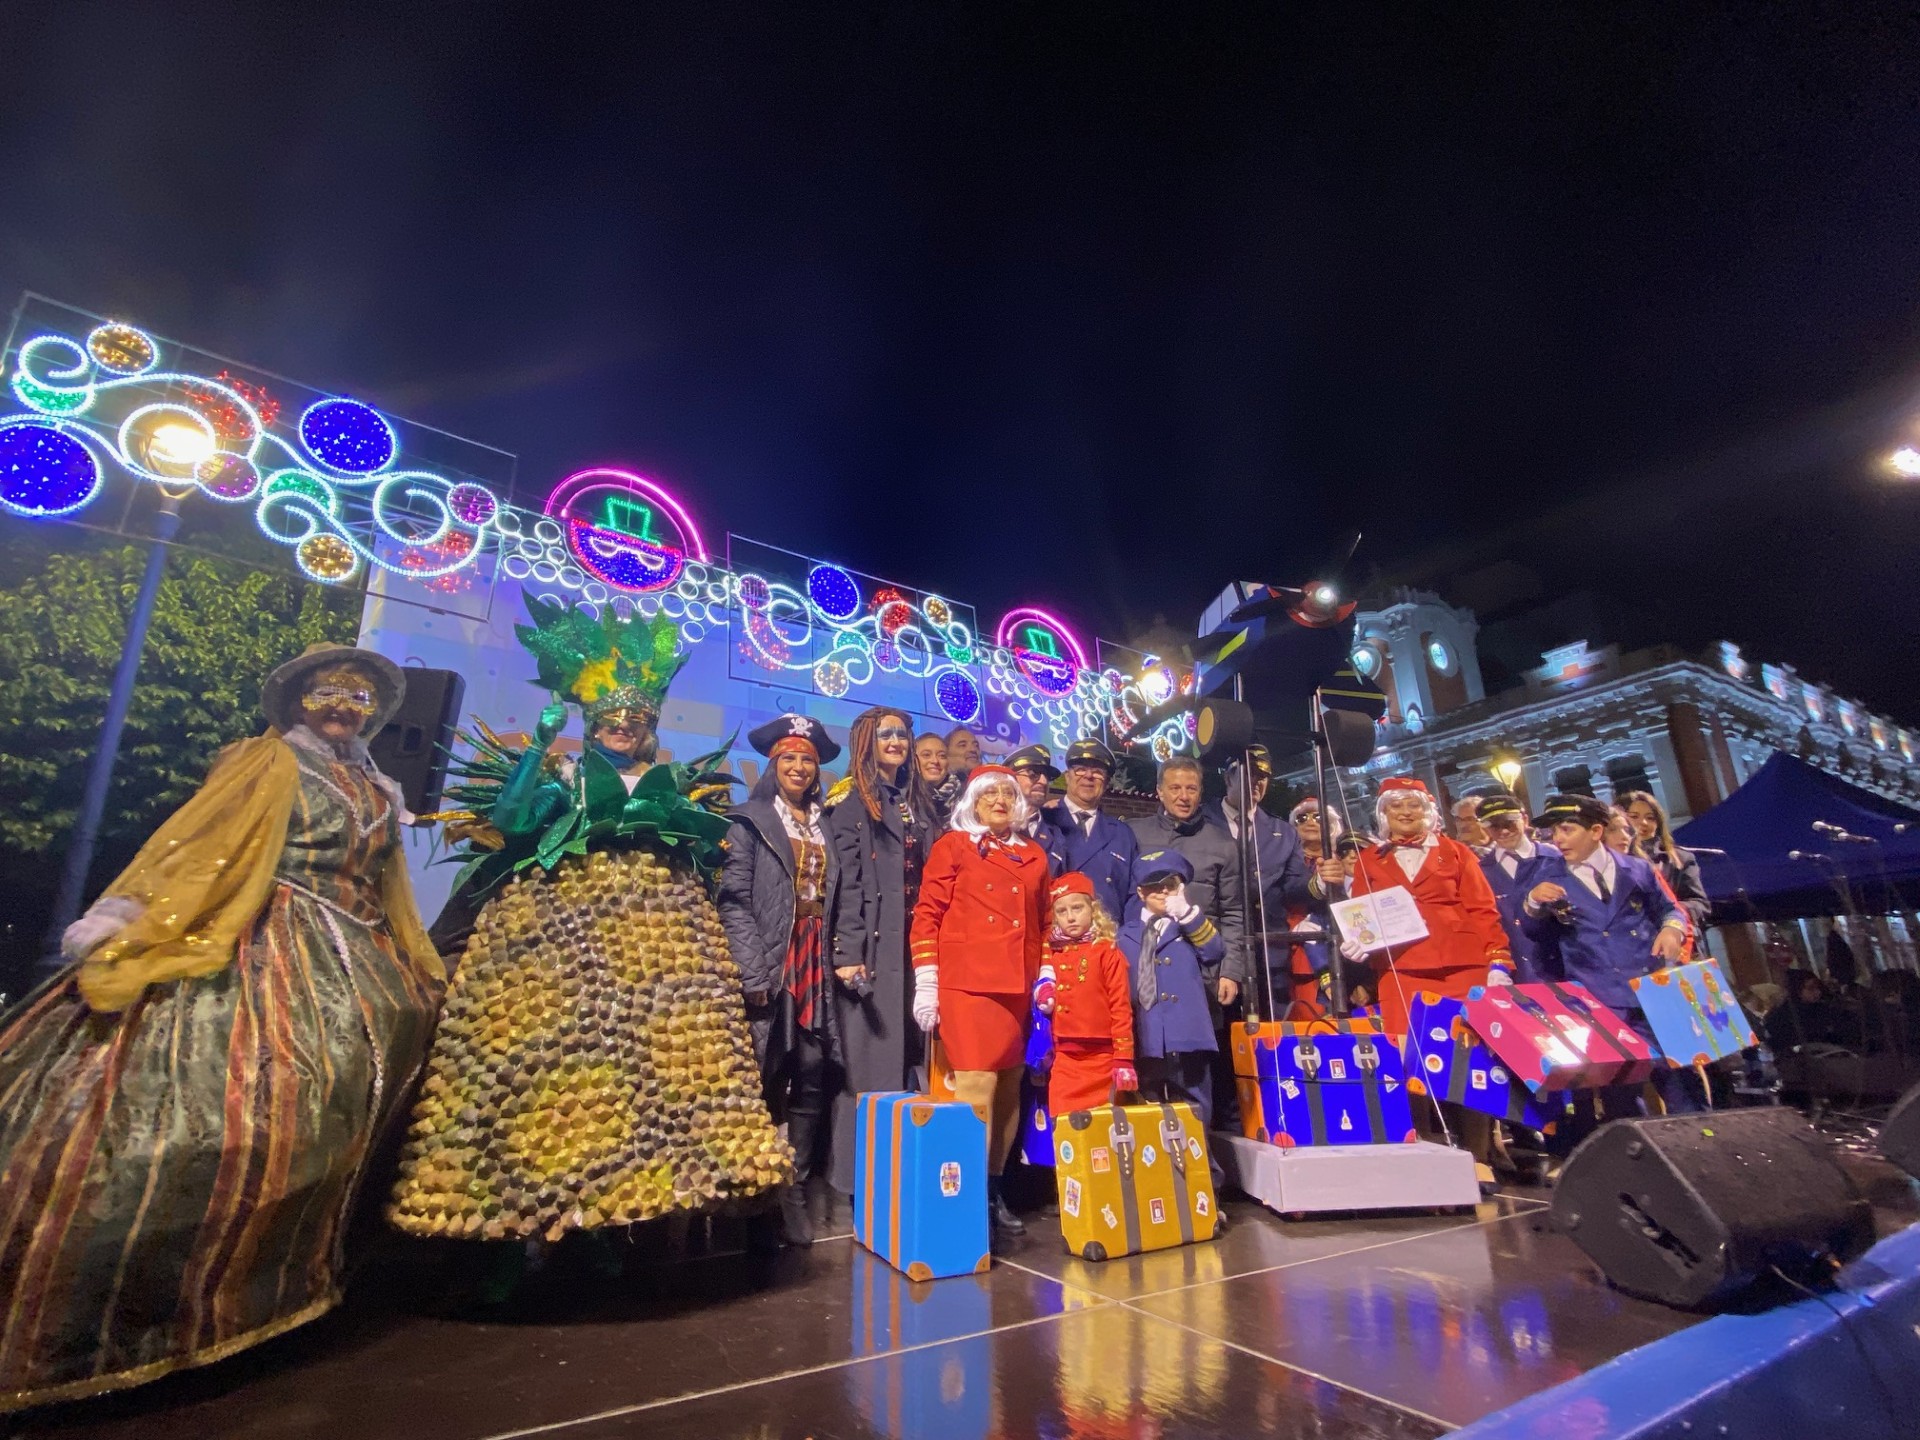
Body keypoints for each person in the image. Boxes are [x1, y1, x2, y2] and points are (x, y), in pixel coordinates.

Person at [0, 644, 445, 1409]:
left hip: (364, 951)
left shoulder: (374, 780)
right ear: (300, 700)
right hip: (268, 939)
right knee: (244, 1107)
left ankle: (301, 1274)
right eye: (328, 693)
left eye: (358, 697)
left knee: (364, 1091)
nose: (343, 706)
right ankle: (165, 1314)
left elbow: (383, 873)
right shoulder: (262, 764)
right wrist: (127, 914)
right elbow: (197, 844)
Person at [389, 601, 786, 1266]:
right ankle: (540, 1222)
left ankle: (641, 1219)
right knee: (566, 1071)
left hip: (665, 947)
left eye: (634, 720)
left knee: (662, 1075)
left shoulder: (669, 785)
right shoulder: (564, 778)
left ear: (649, 725)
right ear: (591, 723)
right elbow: (514, 823)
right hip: (561, 944)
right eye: (609, 719)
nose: (622, 728)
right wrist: (542, 744)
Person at [1345, 776, 1512, 1183]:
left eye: (1413, 805)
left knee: (1467, 1063)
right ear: (1383, 813)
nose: (1405, 813)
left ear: (1428, 811)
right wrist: (1360, 945)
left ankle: (1478, 1156)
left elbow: (1482, 908)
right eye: (1396, 806)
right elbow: (1362, 910)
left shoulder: (1456, 853)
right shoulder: (1370, 859)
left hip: (1461, 966)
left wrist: (1498, 961)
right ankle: (1423, 1151)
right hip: (1401, 970)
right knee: (1411, 1064)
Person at [909, 765, 1050, 1241]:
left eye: (1006, 794)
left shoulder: (1033, 855)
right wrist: (927, 981)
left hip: (1017, 987)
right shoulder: (952, 847)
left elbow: (1044, 922)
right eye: (988, 793)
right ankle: (963, 1194)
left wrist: (1045, 975)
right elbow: (927, 914)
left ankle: (993, 1190)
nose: (998, 800)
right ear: (973, 801)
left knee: (1009, 1095)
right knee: (975, 1089)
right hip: (968, 984)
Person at [718, 715, 844, 1247]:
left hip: (816, 960)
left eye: (808, 760)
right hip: (771, 960)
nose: (798, 767)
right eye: (789, 758)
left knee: (812, 1073)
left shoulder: (827, 824)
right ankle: (757, 1190)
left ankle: (793, 1184)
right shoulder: (747, 820)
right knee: (765, 1073)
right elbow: (733, 898)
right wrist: (753, 969)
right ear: (773, 765)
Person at [1521, 793, 1694, 1130]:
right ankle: (1637, 1162)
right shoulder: (1548, 875)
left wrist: (1673, 929)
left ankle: (1699, 1154)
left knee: (1681, 1084)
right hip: (1597, 1000)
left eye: (1567, 829)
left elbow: (1670, 908)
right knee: (1621, 1096)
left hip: (1653, 991)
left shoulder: (1638, 869)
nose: (1558, 839)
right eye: (1554, 832)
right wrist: (1532, 902)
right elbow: (1533, 933)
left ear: (1596, 831)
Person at [825, 707, 936, 1204]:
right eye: (885, 733)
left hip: (914, 949)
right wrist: (848, 951)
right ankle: (857, 1183)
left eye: (901, 734)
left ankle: (898, 1172)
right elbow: (844, 881)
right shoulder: (851, 800)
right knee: (869, 1068)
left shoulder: (914, 800)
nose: (895, 741)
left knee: (911, 1061)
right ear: (866, 741)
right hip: (872, 948)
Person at [1119, 848, 1229, 1215]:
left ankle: (1205, 1192)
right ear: (1139, 892)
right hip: (1146, 1036)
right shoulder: (1124, 934)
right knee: (1147, 1112)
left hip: (1187, 1035)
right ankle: (1158, 1191)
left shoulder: (1192, 925)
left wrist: (1189, 916)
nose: (1164, 893)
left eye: (1172, 885)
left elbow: (1214, 951)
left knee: (1196, 1111)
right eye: (1155, 887)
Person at [1207, 746, 1340, 1019]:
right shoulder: (1202, 822)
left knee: (1273, 1036)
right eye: (1249, 774)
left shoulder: (1283, 831)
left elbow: (1294, 887)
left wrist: (1320, 882)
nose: (1257, 783)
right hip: (1217, 951)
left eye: (1263, 777)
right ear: (1228, 778)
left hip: (1269, 954)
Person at [1037, 873, 1136, 1115]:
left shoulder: (1107, 952)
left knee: (1102, 1128)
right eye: (1061, 911)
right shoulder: (1051, 955)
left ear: (1093, 909)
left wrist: (1124, 1058)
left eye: (1077, 908)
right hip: (1065, 1060)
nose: (1070, 917)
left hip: (1102, 1058)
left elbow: (1120, 1006)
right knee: (1062, 1121)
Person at [1038, 737, 1139, 922]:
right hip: (1055, 940)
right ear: (1067, 776)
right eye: (1080, 769)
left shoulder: (1122, 834)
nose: (1089, 776)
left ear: (1106, 782)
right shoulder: (1043, 821)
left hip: (1107, 941)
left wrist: (1129, 939)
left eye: (1098, 771)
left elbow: (1134, 897)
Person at [1477, 792, 1560, 983]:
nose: (1503, 831)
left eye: (1509, 823)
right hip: (1515, 973)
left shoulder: (1554, 859)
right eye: (1494, 826)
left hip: (1559, 968)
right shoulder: (1480, 871)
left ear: (1524, 819)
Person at [1006, 744, 1059, 838]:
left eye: (1047, 776)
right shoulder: (990, 824)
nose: (1044, 781)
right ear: (1011, 778)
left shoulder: (1056, 833)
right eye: (1033, 773)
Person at [916, 731, 963, 823]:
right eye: (926, 755)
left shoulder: (964, 801)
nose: (935, 761)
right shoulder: (903, 798)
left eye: (942, 756)